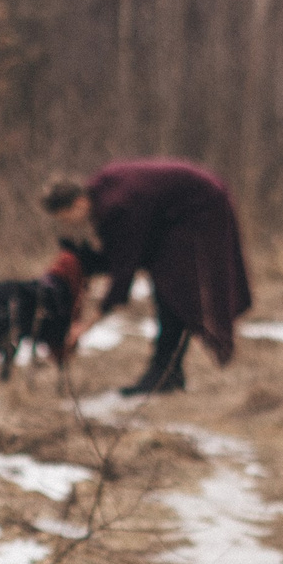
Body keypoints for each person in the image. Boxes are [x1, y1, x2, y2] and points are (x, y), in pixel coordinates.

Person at [42, 159, 252, 394]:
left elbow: (125, 268)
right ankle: (167, 373)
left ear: (79, 202)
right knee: (169, 284)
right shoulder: (103, 194)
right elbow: (123, 253)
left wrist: (86, 325)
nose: (68, 224)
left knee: (174, 286)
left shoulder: (116, 205)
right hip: (178, 215)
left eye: (65, 217)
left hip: (202, 208)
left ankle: (164, 374)